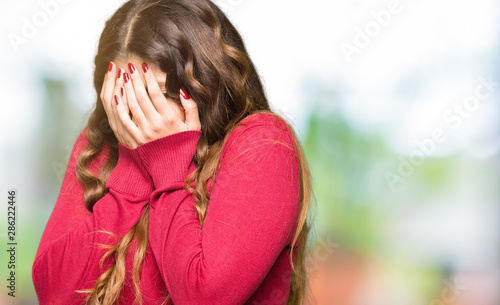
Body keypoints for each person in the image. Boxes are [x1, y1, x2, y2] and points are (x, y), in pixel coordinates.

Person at [32, 0, 313, 304]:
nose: (138, 116)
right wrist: (133, 167)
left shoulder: (263, 144)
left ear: (204, 84)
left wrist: (167, 164)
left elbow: (204, 297)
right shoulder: (102, 144)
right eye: (128, 95)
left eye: (156, 95)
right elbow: (54, 295)